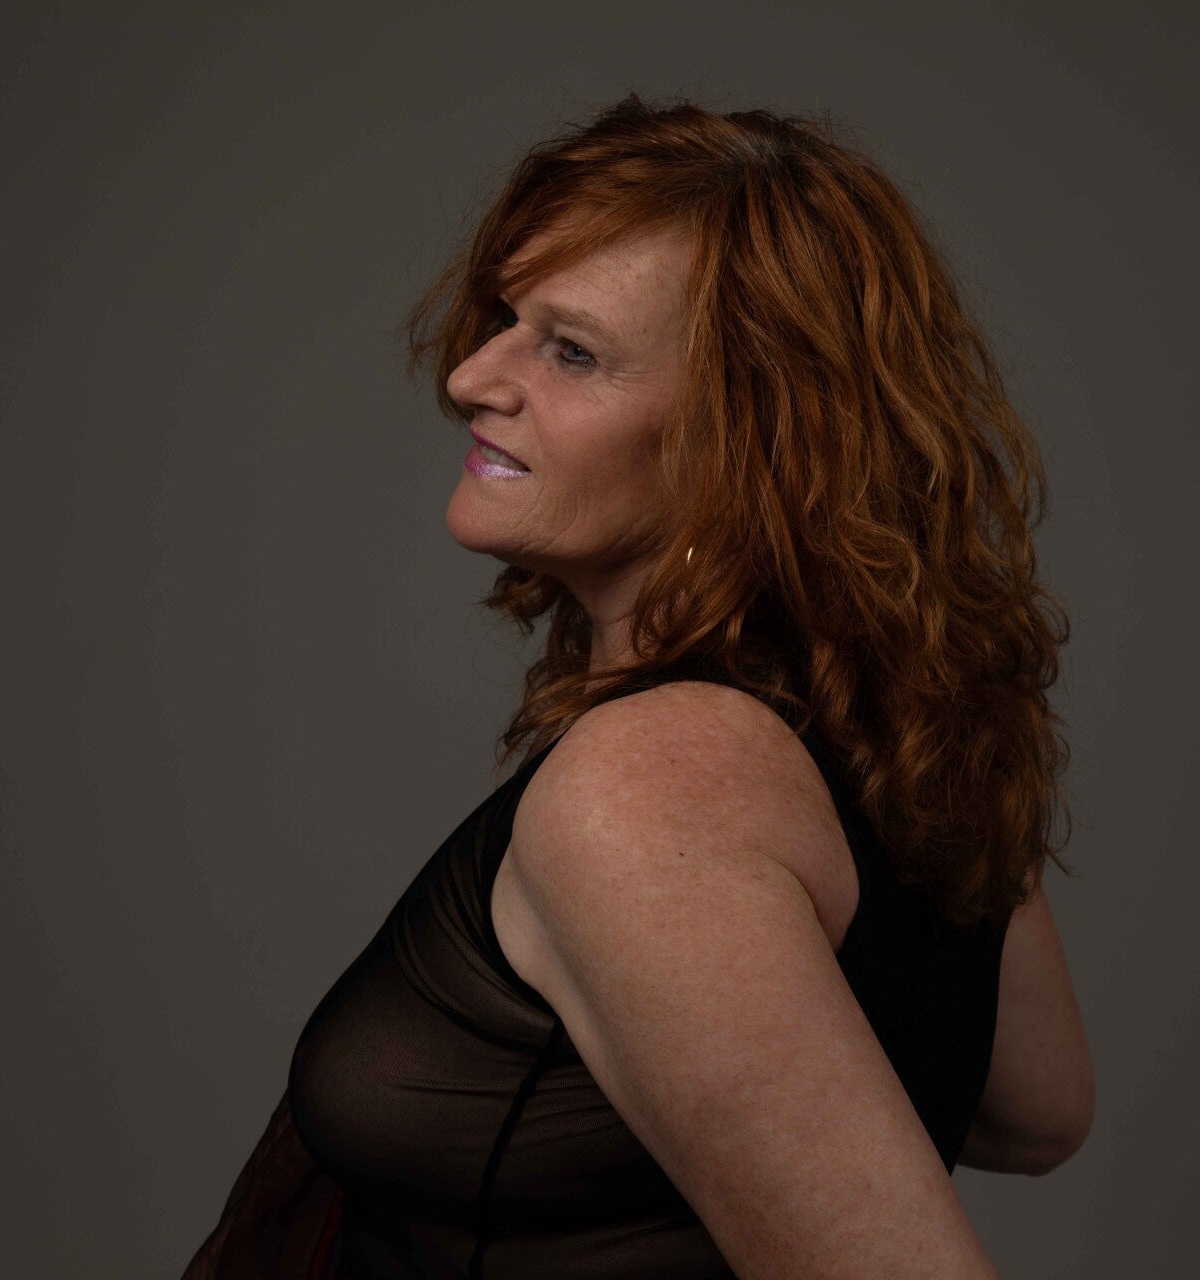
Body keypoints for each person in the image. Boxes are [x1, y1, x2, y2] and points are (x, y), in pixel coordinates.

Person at [182, 92, 1093, 1279]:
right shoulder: (905, 725)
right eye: (506, 319)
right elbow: (1037, 1106)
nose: (472, 375)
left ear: (747, 442)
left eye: (572, 351)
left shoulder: (648, 790)